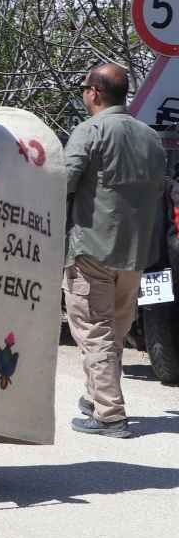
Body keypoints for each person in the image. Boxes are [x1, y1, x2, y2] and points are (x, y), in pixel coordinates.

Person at [63, 63, 166, 438]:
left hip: (92, 249)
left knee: (94, 331)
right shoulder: (150, 136)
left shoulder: (89, 131)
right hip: (135, 252)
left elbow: (65, 182)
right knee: (114, 330)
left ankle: (109, 415)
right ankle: (95, 395)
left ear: (94, 93)